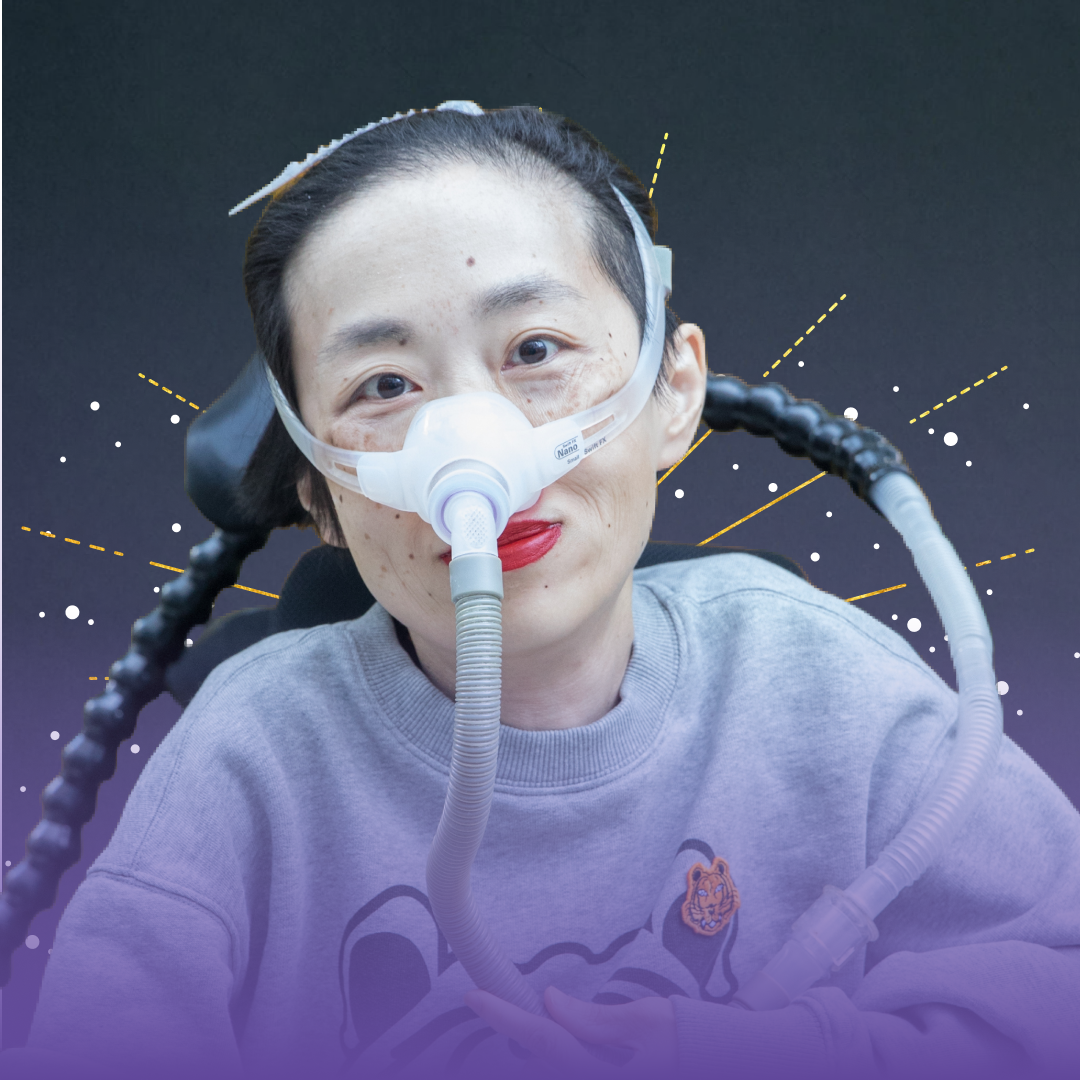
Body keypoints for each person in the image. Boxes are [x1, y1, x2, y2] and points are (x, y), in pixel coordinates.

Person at [10, 103, 1080, 1080]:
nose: (474, 444)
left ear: (672, 391)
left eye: (535, 349)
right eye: (385, 385)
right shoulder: (252, 758)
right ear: (320, 496)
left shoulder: (821, 684)